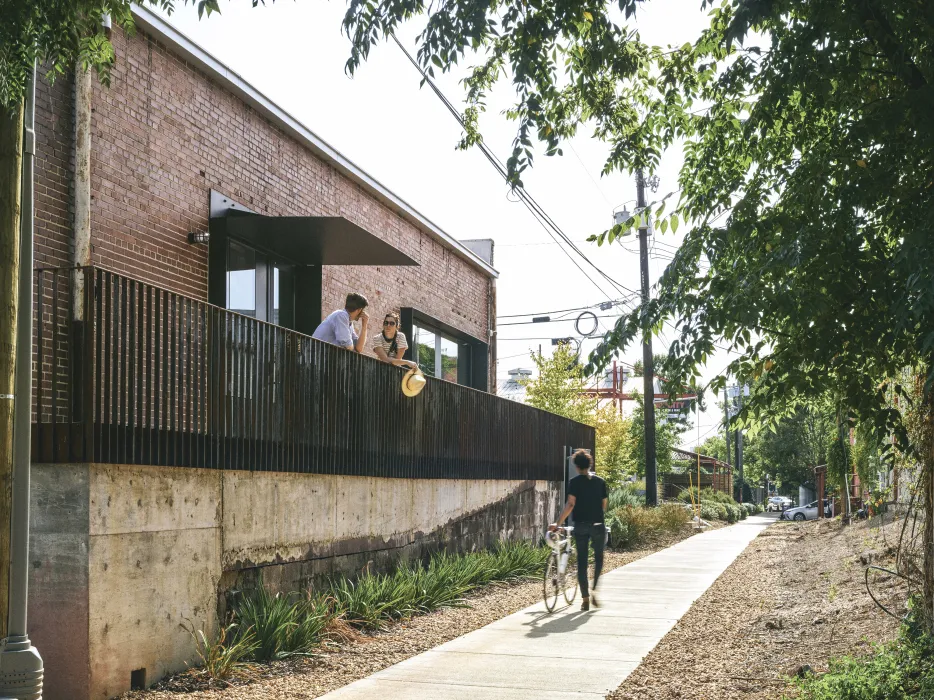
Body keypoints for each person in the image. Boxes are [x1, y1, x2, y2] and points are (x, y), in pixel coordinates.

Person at [550, 449, 608, 611]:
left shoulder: (574, 482)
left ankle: (585, 599)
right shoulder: (600, 482)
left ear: (576, 466)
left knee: (582, 563)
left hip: (581, 526)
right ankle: (594, 588)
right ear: (590, 464)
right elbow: (604, 505)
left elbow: (570, 505)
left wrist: (558, 523)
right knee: (598, 559)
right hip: (598, 525)